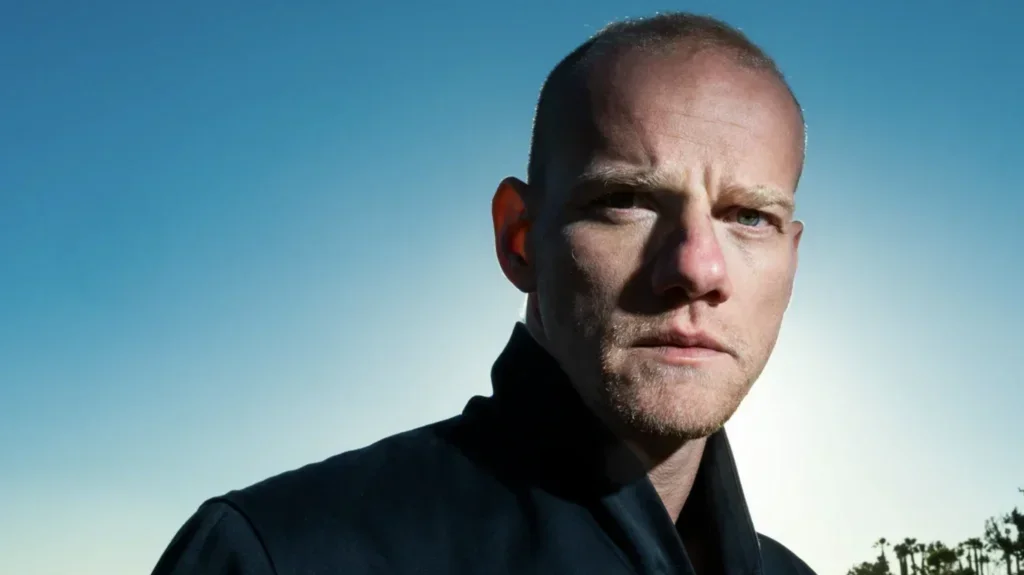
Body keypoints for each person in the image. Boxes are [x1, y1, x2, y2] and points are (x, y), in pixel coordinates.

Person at [152, 11, 815, 575]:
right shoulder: (278, 555)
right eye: (626, 200)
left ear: (791, 261)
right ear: (519, 240)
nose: (698, 268)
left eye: (749, 217)